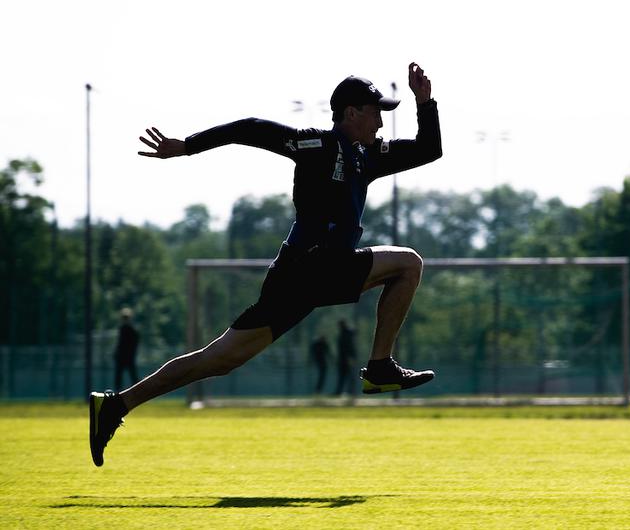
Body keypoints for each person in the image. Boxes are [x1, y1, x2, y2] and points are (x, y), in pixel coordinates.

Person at [89, 62, 442, 467]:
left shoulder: (367, 157)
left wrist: (425, 103)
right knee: (408, 264)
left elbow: (428, 149)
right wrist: (186, 146)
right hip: (306, 270)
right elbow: (250, 128)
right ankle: (379, 367)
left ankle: (115, 406)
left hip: (314, 274)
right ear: (351, 113)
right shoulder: (318, 145)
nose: (381, 121)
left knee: (218, 360)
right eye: (376, 111)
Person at [113, 308, 140, 391]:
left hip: (127, 356)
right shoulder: (124, 329)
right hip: (123, 356)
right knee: (119, 377)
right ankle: (118, 394)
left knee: (133, 377)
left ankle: (138, 392)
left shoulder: (131, 330)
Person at [334, 318, 356, 397]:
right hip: (344, 358)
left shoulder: (346, 333)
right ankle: (343, 391)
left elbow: (348, 346)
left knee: (349, 375)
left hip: (346, 358)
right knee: (344, 376)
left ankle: (351, 391)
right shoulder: (345, 333)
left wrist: (351, 357)